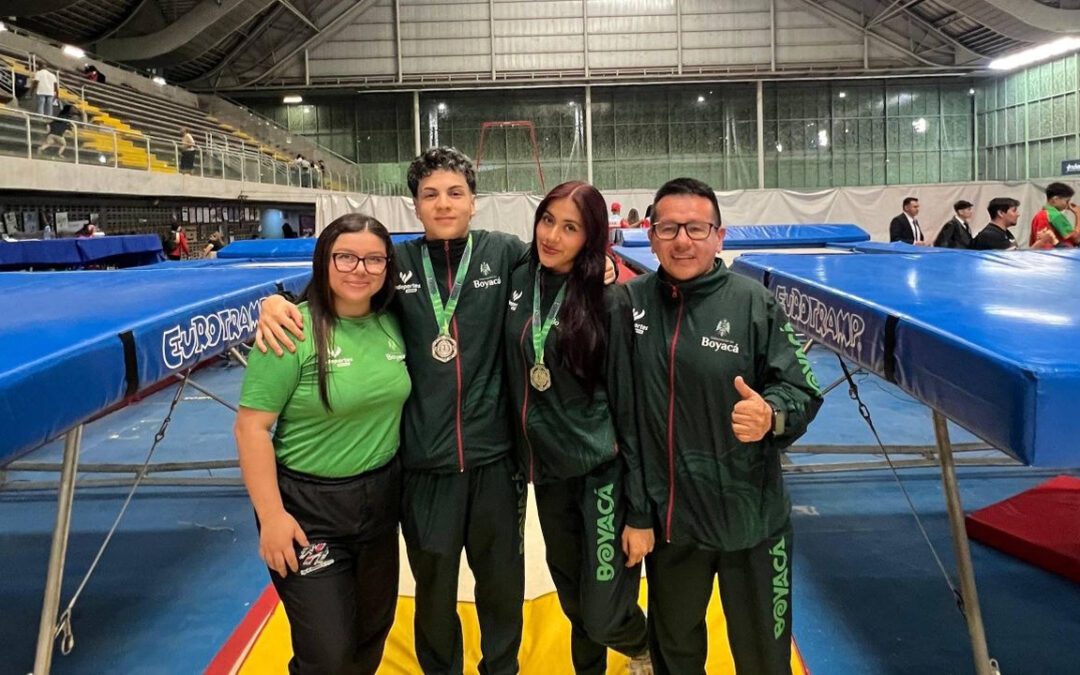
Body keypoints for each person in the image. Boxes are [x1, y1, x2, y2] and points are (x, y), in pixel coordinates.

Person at [257, 147, 530, 675]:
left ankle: (503, 668)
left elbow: (562, 271)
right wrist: (273, 301)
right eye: (431, 195)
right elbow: (329, 296)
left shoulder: (505, 254)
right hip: (423, 466)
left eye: (455, 193)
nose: (443, 204)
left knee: (501, 583)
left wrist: (608, 267)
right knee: (432, 590)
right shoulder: (394, 265)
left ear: (475, 202)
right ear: (415, 206)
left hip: (496, 461)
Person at [614, 177, 823, 675]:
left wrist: (771, 415)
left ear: (720, 235)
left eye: (696, 228)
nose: (682, 240)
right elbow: (621, 415)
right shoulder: (628, 305)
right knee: (677, 655)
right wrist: (638, 512)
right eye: (668, 228)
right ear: (651, 232)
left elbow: (803, 389)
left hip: (750, 520)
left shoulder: (754, 303)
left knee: (763, 660)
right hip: (672, 525)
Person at [236, 214, 409, 674]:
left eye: (374, 259)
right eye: (346, 256)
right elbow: (251, 429)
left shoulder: (393, 322)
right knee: (328, 656)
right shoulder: (290, 332)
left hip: (380, 503)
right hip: (309, 512)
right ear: (324, 260)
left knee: (372, 633)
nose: (360, 268)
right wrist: (272, 517)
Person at [504, 181, 652, 674]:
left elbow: (630, 409)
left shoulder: (608, 301)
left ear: (590, 238)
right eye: (548, 220)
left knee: (603, 613)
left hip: (601, 473)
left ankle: (647, 646)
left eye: (570, 228)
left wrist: (639, 511)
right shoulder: (518, 276)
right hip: (548, 472)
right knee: (573, 602)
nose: (552, 236)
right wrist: (286, 300)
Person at [972, 197, 1036, 251]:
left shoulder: (1004, 232)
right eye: (1014, 211)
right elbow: (1014, 260)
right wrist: (1042, 241)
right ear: (1000, 213)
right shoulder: (991, 236)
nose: (1018, 214)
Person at [1029, 182, 1080, 248]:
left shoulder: (1038, 216)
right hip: (1058, 255)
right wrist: (1078, 214)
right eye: (1067, 201)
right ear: (1055, 200)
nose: (1068, 205)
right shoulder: (1055, 215)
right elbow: (1076, 237)